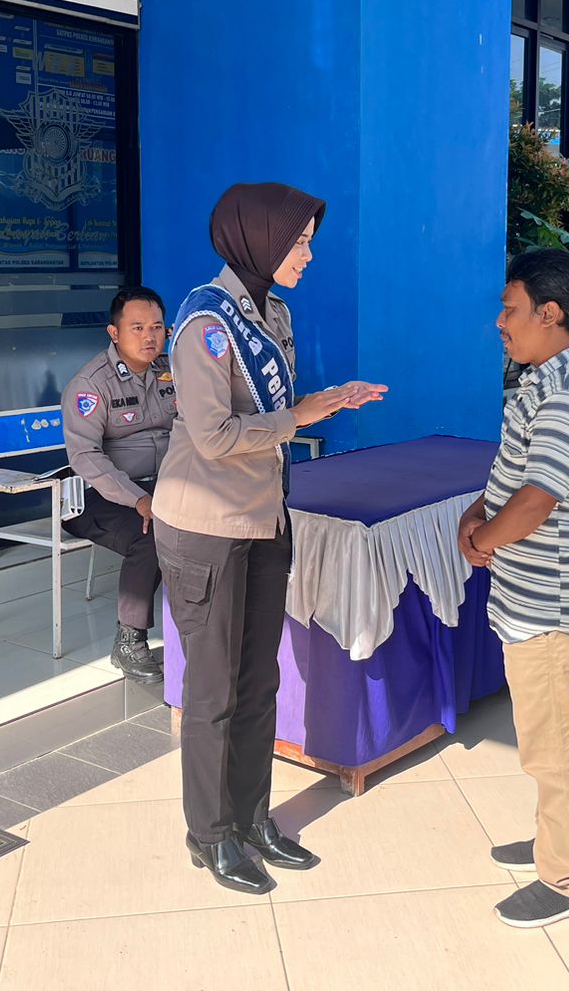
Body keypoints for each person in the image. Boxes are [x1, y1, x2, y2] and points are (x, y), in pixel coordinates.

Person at [152, 182, 387, 895]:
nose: (308, 255)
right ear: (258, 239)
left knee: (259, 681)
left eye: (310, 241)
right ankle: (209, 832)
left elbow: (275, 415)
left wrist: (320, 404)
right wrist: (300, 416)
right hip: (205, 527)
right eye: (299, 242)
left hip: (262, 519)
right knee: (214, 688)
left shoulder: (273, 313)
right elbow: (215, 435)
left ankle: (251, 819)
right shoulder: (205, 323)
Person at [457, 248, 569, 929]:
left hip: (553, 607)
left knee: (556, 746)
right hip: (535, 598)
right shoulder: (544, 382)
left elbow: (537, 499)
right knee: (545, 737)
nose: (500, 322)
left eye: (510, 309)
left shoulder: (568, 395)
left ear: (550, 315)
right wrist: (476, 515)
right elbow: (513, 477)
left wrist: (482, 540)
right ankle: (559, 840)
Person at [62, 286, 179, 683]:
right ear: (114, 333)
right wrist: (138, 498)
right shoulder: (91, 384)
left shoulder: (172, 370)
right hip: (97, 496)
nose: (149, 336)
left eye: (157, 327)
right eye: (137, 327)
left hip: (164, 486)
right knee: (152, 534)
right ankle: (129, 640)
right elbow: (85, 458)